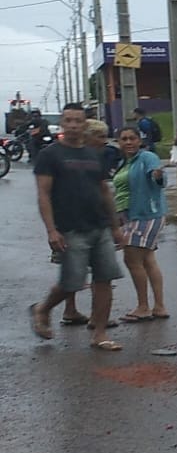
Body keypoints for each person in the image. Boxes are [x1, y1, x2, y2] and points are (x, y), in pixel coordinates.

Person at [29, 102, 127, 351]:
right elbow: (43, 194)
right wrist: (51, 230)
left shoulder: (94, 155)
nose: (73, 125)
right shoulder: (50, 155)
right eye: (68, 120)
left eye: (77, 121)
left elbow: (104, 191)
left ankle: (100, 334)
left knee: (105, 279)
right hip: (70, 229)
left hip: (100, 226)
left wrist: (115, 226)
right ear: (62, 123)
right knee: (72, 282)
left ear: (84, 125)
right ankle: (43, 309)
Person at [113, 125, 169, 322]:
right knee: (147, 260)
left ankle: (144, 306)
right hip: (130, 216)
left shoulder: (147, 157)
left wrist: (158, 176)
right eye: (124, 139)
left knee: (132, 258)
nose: (128, 142)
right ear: (118, 142)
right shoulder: (124, 162)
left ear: (139, 141)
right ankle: (159, 306)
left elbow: (158, 176)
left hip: (147, 213)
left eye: (132, 138)